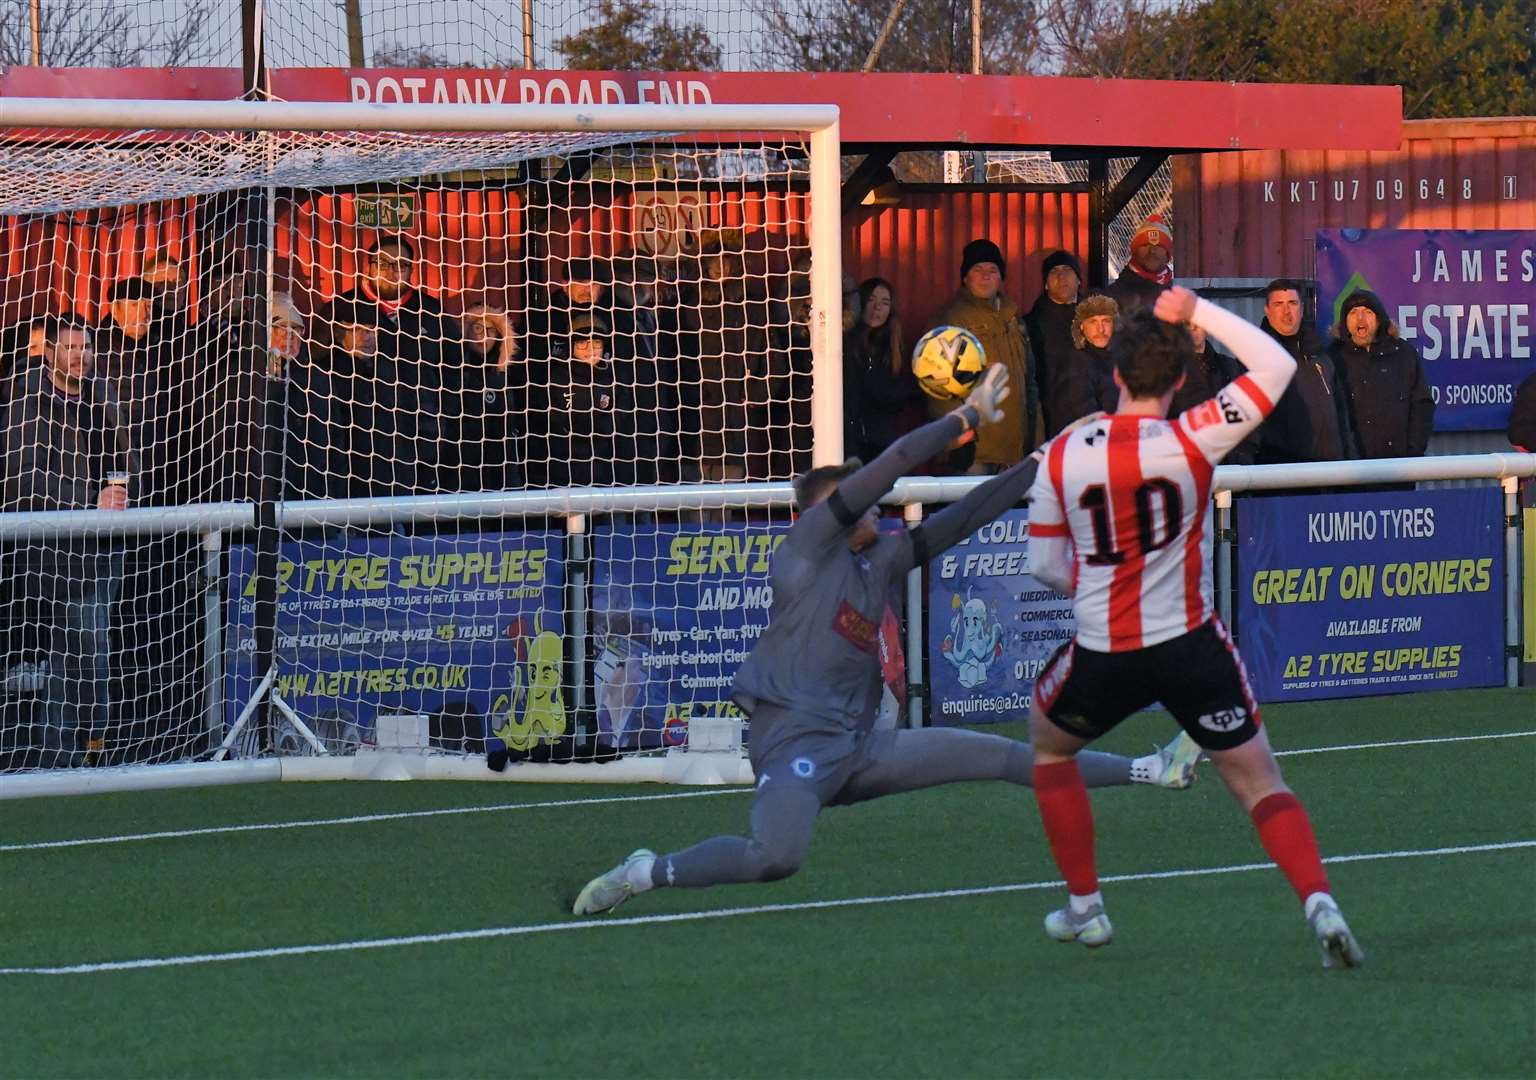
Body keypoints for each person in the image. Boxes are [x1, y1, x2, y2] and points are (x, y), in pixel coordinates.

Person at [571, 367, 1202, 916]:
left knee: (1002, 756)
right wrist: (964, 417)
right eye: (862, 504)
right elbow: (894, 462)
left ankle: (1154, 770)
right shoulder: (802, 556)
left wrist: (1041, 461)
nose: (879, 509)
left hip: (858, 746)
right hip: (794, 742)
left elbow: (966, 516)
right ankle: (644, 871)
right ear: (826, 517)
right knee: (776, 857)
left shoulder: (882, 564)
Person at [1023, 286, 1364, 969]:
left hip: (1105, 650)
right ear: (1180, 381)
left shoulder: (1062, 451)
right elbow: (1274, 368)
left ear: (1114, 374)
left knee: (1049, 748)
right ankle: (1319, 902)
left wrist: (1099, 582)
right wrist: (1195, 309)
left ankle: (1086, 907)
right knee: (1261, 784)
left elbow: (1047, 567)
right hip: (1191, 646)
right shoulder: (1194, 434)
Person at [1, 316, 134, 766]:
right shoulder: (28, 399)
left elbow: (124, 455)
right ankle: (92, 746)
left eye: (85, 347)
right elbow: (21, 483)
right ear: (51, 352)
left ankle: (60, 752)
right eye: (71, 347)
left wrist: (122, 489)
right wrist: (87, 505)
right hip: (61, 551)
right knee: (88, 649)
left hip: (109, 543)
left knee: (75, 653)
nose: (80, 355)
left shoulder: (103, 393)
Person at [927, 239, 1041, 472]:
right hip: (975, 451)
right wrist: (954, 440)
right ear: (965, 278)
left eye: (992, 270)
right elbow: (937, 386)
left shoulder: (1013, 317)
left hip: (1014, 450)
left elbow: (1029, 381)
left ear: (1001, 278)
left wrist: (1037, 438)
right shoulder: (952, 319)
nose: (986, 276)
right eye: (977, 270)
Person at [1328, 289, 1434, 460]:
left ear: (1379, 319)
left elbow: (1422, 405)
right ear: (1344, 321)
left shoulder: (1404, 354)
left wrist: (1412, 452)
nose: (1360, 319)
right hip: (1350, 471)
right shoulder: (1332, 358)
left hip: (1398, 467)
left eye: (1367, 312)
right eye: (1353, 313)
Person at [1256, 279, 1353, 464]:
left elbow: (1342, 415)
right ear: (1267, 311)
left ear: (1301, 309)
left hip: (1331, 472)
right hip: (1284, 476)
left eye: (1292, 303)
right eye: (1278, 304)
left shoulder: (1321, 356)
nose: (1287, 312)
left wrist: (1349, 462)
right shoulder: (1254, 358)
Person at [844, 277, 922, 461]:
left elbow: (897, 395)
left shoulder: (894, 349)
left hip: (880, 445)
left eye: (885, 303)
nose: (877, 308)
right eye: (871, 300)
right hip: (849, 444)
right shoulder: (845, 344)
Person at [1024, 250, 1082, 436]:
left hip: (1091, 421)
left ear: (1079, 280)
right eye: (1054, 271)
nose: (1061, 276)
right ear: (1046, 284)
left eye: (1067, 269)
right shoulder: (1029, 325)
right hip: (1049, 424)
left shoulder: (1096, 321)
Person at [1048, 294, 1119, 432]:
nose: (1100, 329)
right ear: (1081, 326)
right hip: (1091, 442)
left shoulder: (1121, 358)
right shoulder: (1076, 362)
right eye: (1093, 322)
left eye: (1106, 321)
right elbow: (1084, 415)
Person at [1104, 214, 1173, 315]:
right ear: (1134, 251)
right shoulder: (1111, 298)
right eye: (1145, 245)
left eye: (1159, 245)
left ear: (1168, 255)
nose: (1152, 251)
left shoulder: (1180, 295)